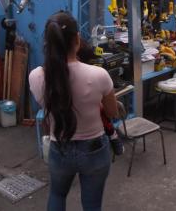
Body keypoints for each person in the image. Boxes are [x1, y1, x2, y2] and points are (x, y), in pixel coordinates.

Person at [29, 12, 119, 211]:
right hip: (94, 150)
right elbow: (112, 113)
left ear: (48, 43)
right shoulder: (99, 75)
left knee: (57, 195)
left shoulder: (36, 76)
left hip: (59, 148)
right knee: (92, 204)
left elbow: (49, 105)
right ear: (77, 39)